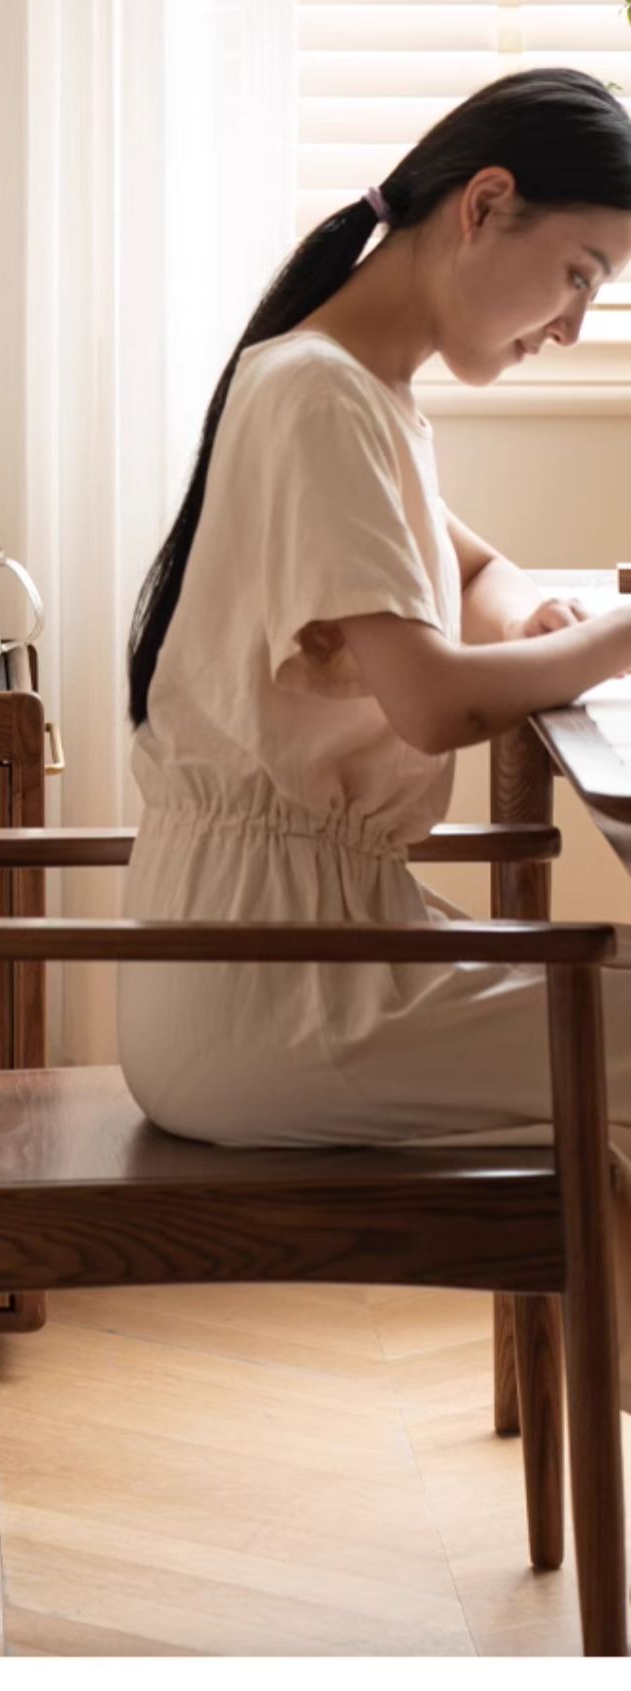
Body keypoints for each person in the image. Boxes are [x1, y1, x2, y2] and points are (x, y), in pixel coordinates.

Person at [116, 68, 631, 1403]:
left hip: (300, 955)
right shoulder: (320, 399)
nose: (575, 325)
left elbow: (478, 580)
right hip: (272, 995)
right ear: (486, 206)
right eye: (578, 273)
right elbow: (437, 700)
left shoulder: (361, 390)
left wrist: (544, 615)